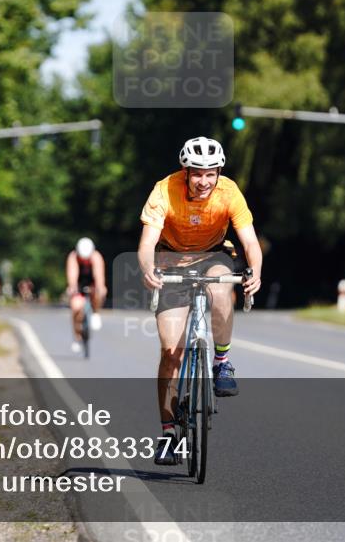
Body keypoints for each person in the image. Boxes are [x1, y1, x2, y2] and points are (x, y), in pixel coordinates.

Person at [139, 136, 263, 465]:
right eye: (197, 173)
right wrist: (148, 269)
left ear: (219, 172)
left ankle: (221, 363)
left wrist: (256, 273)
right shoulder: (163, 191)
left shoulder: (230, 191)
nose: (204, 181)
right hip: (171, 260)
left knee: (222, 289)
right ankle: (168, 434)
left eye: (211, 173)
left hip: (213, 255)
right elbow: (147, 242)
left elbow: (250, 241)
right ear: (185, 172)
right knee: (170, 352)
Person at [66, 237, 107, 353]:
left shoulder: (96, 257)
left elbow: (99, 278)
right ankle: (77, 336)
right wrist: (73, 289)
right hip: (79, 283)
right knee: (75, 307)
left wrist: (99, 288)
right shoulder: (73, 257)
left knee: (100, 291)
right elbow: (72, 277)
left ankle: (96, 312)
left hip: (91, 282)